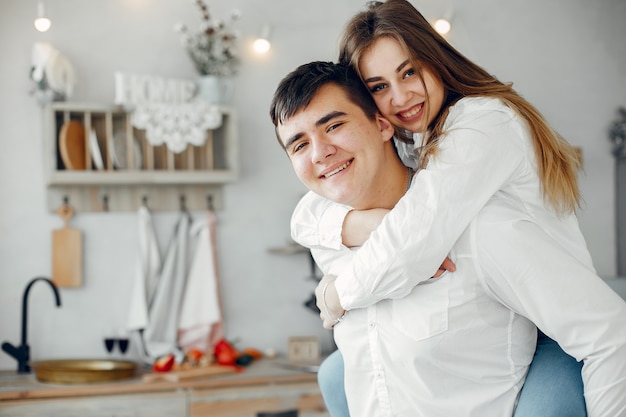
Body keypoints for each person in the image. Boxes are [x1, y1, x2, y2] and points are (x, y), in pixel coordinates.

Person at [269, 60, 626, 416]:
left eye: (334, 125)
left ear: (381, 125)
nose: (320, 152)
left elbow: (612, 337)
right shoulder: (330, 240)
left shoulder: (479, 230)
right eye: (299, 146)